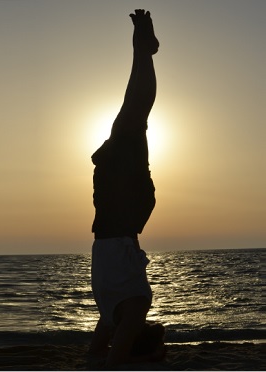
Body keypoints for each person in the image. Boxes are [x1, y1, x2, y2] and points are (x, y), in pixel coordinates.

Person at [88, 9, 163, 367]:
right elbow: (96, 354)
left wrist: (144, 360)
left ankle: (143, 50)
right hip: (110, 235)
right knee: (131, 117)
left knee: (134, 116)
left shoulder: (131, 312)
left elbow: (108, 360)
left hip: (120, 223)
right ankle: (141, 50)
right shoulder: (112, 315)